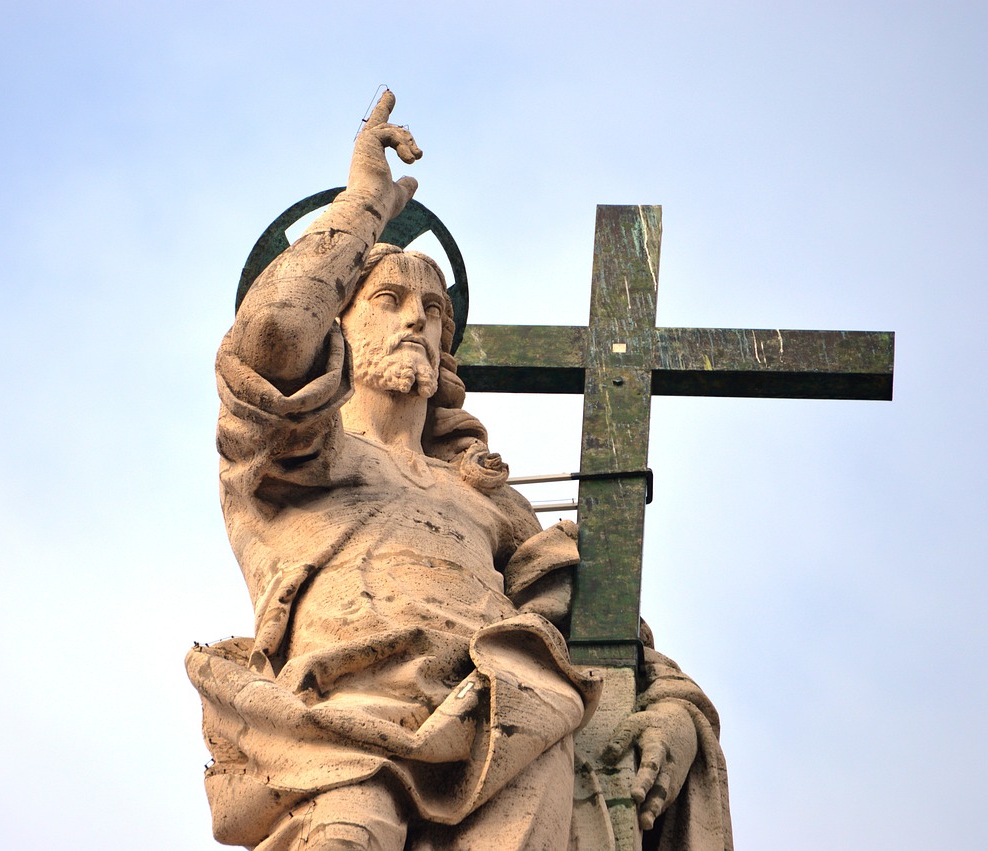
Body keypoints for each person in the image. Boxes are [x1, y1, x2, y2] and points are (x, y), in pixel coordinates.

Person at [187, 91, 731, 851]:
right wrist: (362, 206)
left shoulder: (487, 497)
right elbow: (273, 337)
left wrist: (673, 709)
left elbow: (603, 632)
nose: (417, 317)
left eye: (433, 308)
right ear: (339, 323)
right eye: (388, 298)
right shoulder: (289, 457)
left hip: (504, 739)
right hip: (342, 740)